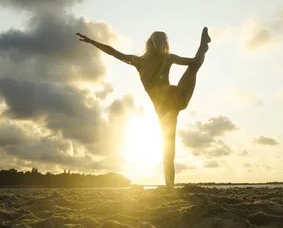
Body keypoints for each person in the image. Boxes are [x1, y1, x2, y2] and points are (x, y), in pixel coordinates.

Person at [76, 27, 211, 190]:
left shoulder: (151, 60)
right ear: (154, 44)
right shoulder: (160, 59)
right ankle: (204, 44)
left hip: (169, 106)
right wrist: (93, 42)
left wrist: (92, 42)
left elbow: (114, 53)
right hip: (175, 102)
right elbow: (113, 52)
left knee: (168, 151)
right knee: (169, 151)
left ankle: (170, 188)